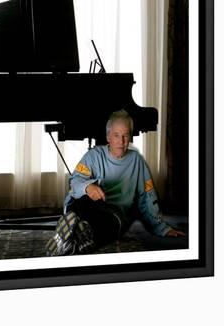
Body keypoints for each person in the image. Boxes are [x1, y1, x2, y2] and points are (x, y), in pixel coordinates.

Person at [46, 109, 185, 256]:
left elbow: (147, 197)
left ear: (130, 137)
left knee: (111, 228)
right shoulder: (93, 156)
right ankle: (76, 231)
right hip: (85, 207)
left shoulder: (136, 161)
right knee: (83, 201)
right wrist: (88, 187)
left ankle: (72, 239)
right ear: (108, 137)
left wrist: (162, 228)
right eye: (116, 135)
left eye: (125, 135)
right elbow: (75, 181)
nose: (121, 141)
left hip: (112, 215)